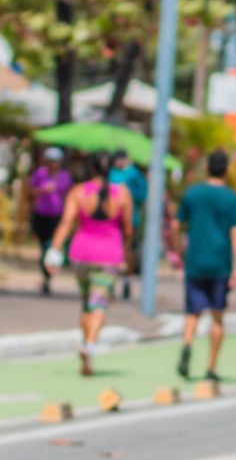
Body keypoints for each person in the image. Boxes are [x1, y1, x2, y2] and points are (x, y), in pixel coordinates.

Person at [44, 152, 133, 376]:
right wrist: (126, 248)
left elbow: (66, 222)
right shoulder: (121, 194)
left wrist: (54, 251)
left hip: (80, 253)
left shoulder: (78, 192)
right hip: (108, 255)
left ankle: (86, 354)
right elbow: (129, 229)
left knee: (87, 304)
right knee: (99, 304)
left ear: (91, 169)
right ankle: (90, 344)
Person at [172, 150, 236, 381]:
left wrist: (178, 250)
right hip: (220, 263)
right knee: (217, 316)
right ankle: (211, 367)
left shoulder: (192, 194)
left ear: (206, 168)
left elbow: (175, 225)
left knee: (192, 312)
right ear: (226, 170)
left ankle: (186, 345)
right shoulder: (232, 199)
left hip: (194, 259)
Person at [29, 147, 73, 295]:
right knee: (44, 246)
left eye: (54, 161)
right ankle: (46, 276)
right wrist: (42, 190)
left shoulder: (65, 176)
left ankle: (47, 277)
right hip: (41, 214)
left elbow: (69, 196)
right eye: (50, 161)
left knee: (51, 246)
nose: (52, 164)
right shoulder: (40, 173)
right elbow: (30, 190)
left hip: (57, 216)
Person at [109, 149, 148, 300]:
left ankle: (127, 280)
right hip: (112, 219)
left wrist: (127, 194)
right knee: (112, 251)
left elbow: (143, 194)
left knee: (127, 250)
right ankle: (110, 282)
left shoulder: (134, 174)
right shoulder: (112, 172)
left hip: (131, 219)